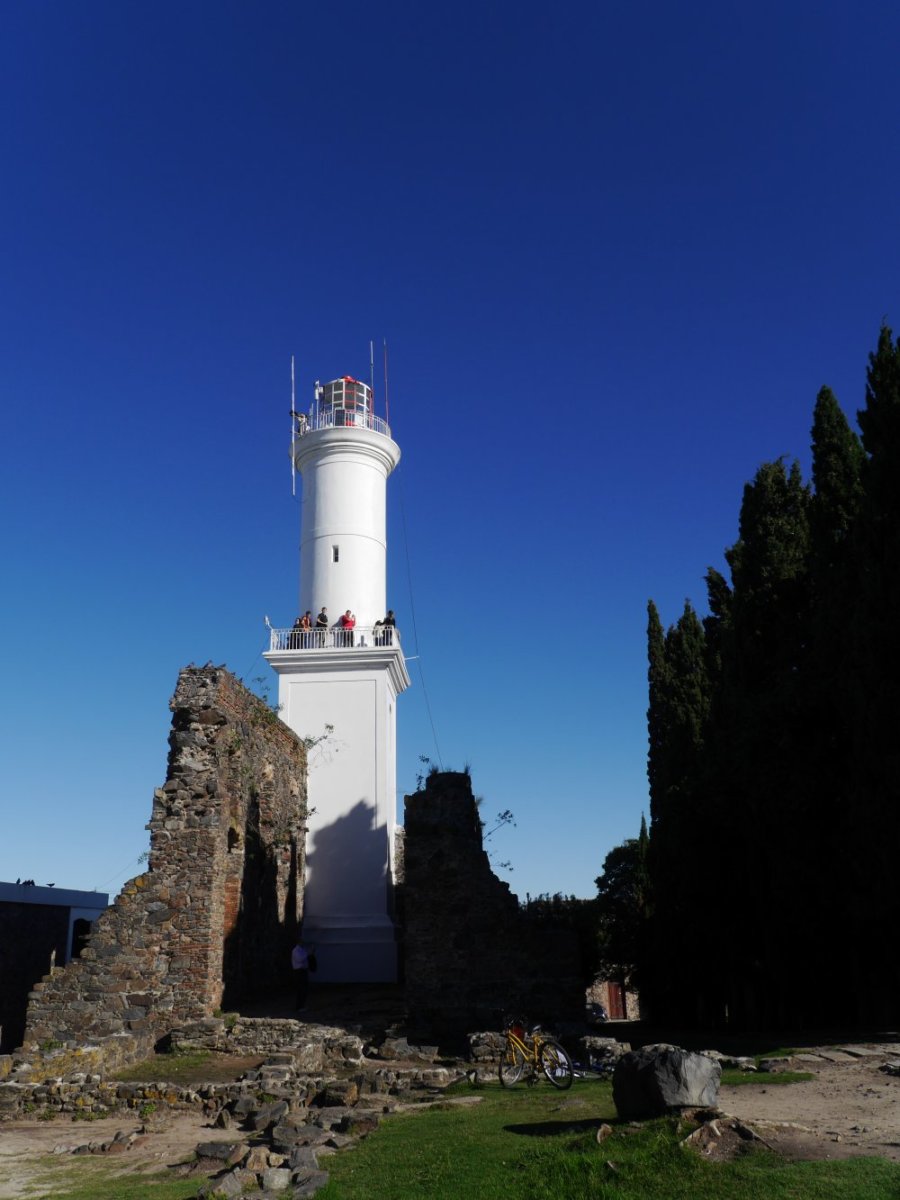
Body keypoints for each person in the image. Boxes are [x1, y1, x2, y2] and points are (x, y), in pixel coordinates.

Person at [291, 937, 311, 1010]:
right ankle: (299, 1006)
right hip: (299, 971)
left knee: (304, 989)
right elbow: (299, 959)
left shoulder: (302, 950)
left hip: (303, 971)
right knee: (301, 989)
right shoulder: (295, 950)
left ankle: (302, 1005)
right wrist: (307, 954)